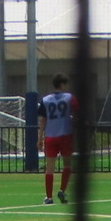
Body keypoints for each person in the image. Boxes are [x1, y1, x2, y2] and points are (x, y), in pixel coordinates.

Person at [38, 74, 79, 205]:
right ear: (62, 84)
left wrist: (39, 138)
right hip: (66, 135)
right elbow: (77, 112)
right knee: (67, 165)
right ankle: (62, 189)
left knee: (49, 168)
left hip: (50, 136)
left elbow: (43, 120)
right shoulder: (69, 98)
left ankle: (49, 197)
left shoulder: (45, 100)